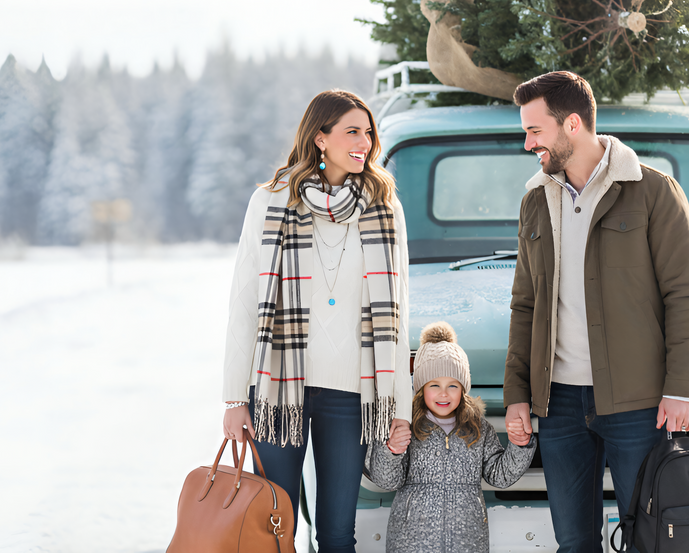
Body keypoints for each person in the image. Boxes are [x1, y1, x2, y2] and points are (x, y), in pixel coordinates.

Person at [501, 71, 689, 553]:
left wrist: (681, 388)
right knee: (574, 543)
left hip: (638, 403)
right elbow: (524, 304)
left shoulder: (653, 191)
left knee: (650, 537)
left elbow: (684, 293)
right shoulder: (536, 201)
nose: (528, 142)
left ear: (572, 124)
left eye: (535, 130)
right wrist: (518, 394)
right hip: (560, 404)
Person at [221, 89, 412, 553]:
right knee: (273, 527)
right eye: (352, 131)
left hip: (351, 394)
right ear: (320, 137)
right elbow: (245, 304)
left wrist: (400, 406)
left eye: (368, 132)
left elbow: (400, 311)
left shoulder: (384, 206)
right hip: (277, 390)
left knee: (336, 533)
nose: (364, 141)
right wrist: (232, 399)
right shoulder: (270, 203)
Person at [365, 322, 536, 553]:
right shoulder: (406, 425)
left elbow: (499, 476)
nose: (444, 393)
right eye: (434, 385)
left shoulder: (478, 428)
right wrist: (392, 450)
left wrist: (519, 445)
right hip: (411, 543)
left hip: (468, 541)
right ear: (421, 388)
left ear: (463, 388)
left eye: (452, 385)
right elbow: (386, 481)